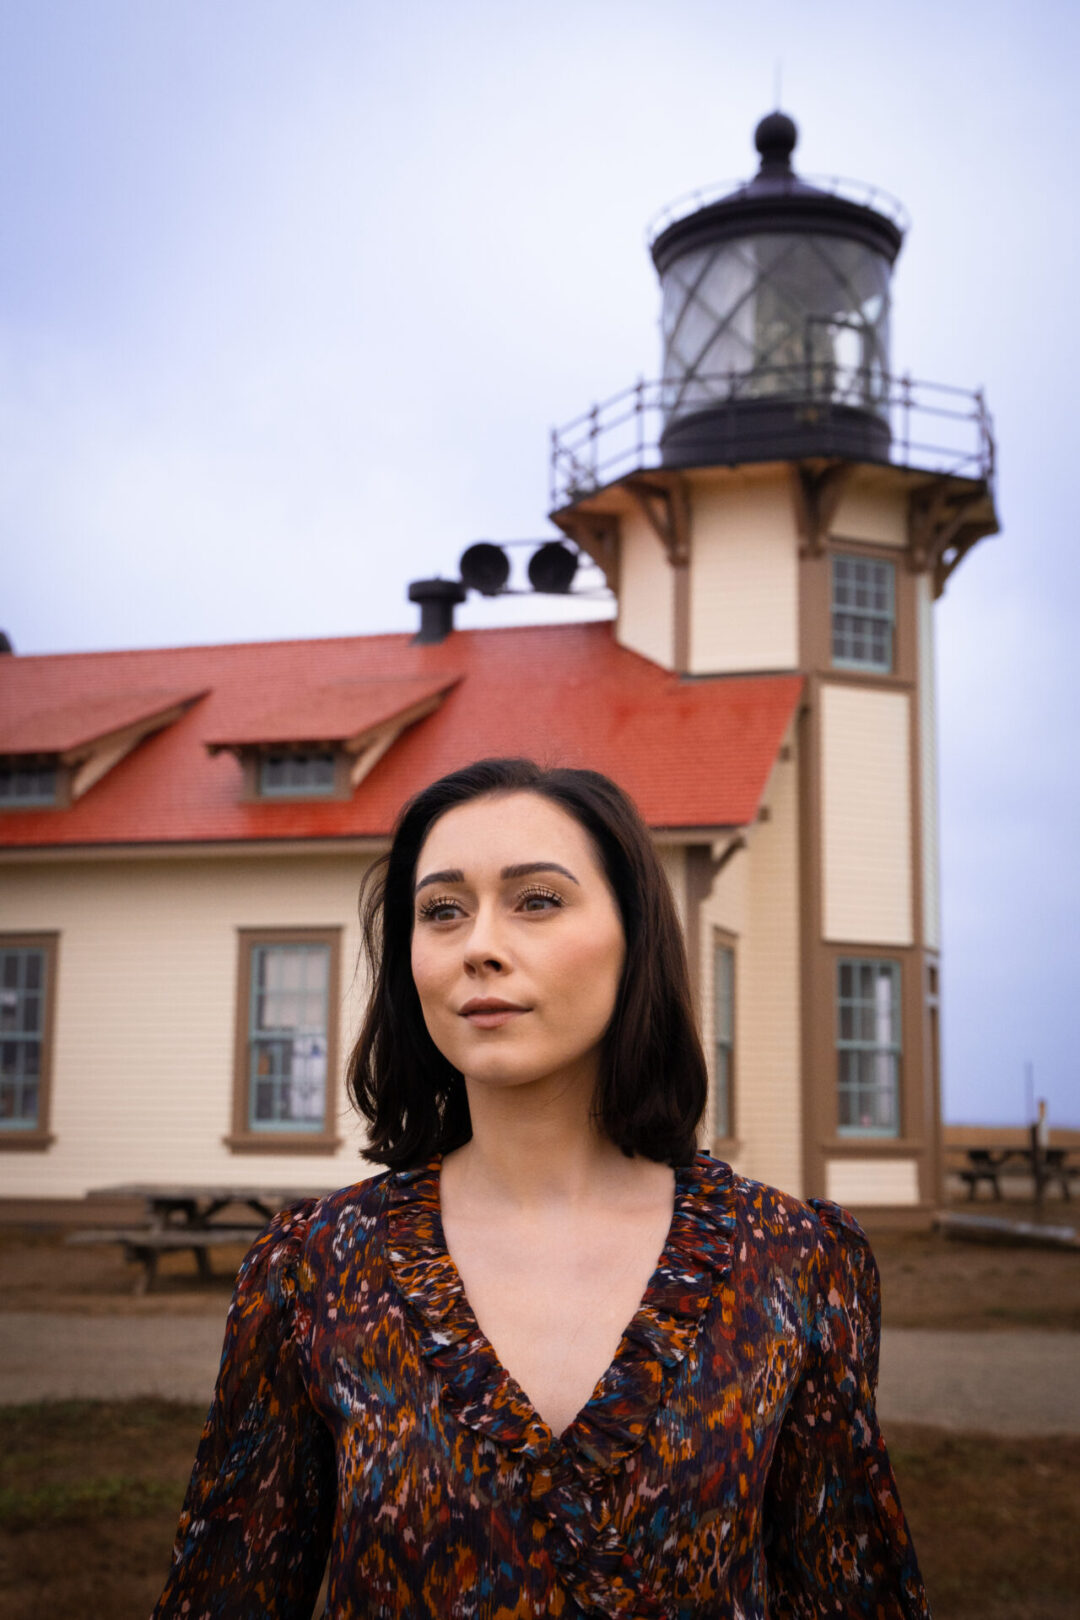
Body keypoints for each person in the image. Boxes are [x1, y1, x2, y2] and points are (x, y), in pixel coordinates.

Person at [153, 757, 930, 1619]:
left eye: (537, 900)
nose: (481, 944)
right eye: (442, 911)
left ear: (634, 935)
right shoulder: (315, 1270)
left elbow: (849, 1590)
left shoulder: (792, 1262)